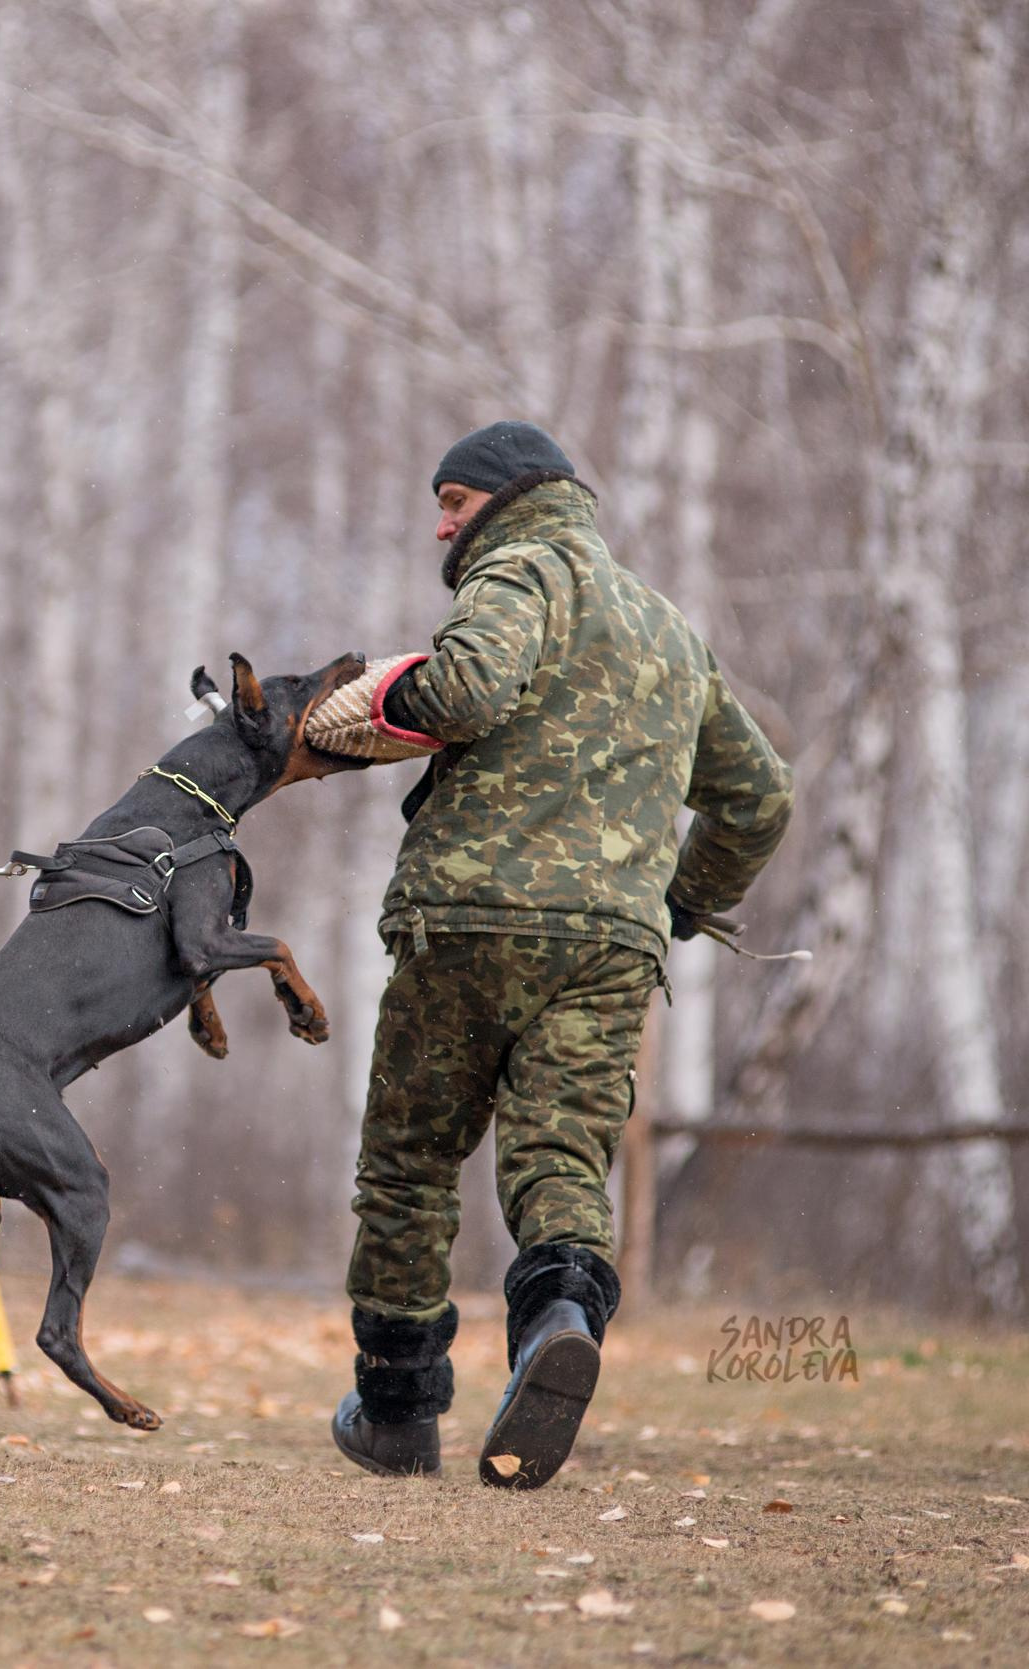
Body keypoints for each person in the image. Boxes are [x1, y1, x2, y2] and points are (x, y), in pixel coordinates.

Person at [331, 420, 794, 1487]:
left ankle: (397, 1410)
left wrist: (374, 701)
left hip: (468, 921)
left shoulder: (518, 569)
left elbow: (465, 691)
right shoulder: (667, 626)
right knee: (560, 1157)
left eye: (453, 501)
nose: (440, 525)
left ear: (509, 497)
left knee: (408, 1161)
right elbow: (760, 797)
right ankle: (559, 1320)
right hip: (607, 945)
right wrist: (679, 905)